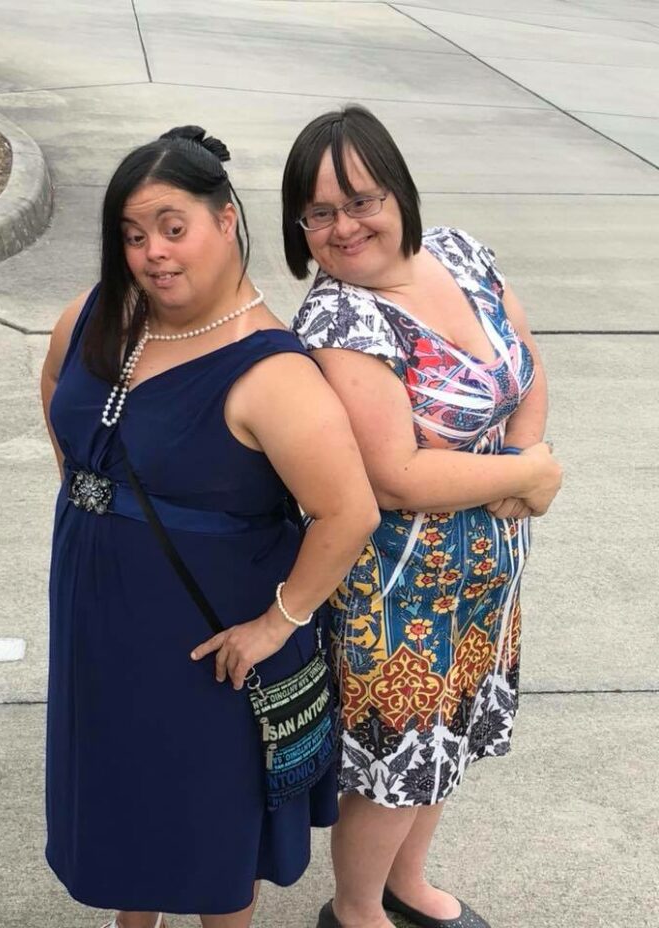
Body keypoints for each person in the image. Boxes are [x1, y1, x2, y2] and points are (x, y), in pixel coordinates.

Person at [40, 125, 380, 928]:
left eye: (172, 227)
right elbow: (60, 387)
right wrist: (91, 496)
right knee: (124, 797)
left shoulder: (271, 373)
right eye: (131, 234)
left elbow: (350, 510)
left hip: (206, 638)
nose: (152, 252)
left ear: (226, 220)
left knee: (207, 827)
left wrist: (277, 622)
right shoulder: (100, 314)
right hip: (100, 619)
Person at [282, 105, 563, 928]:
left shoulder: (458, 253)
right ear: (301, 227)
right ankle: (359, 908)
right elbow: (395, 476)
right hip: (397, 584)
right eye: (320, 213)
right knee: (396, 753)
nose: (344, 226)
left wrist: (524, 463)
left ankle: (409, 881)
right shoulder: (341, 319)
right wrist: (525, 475)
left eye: (361, 200)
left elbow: (527, 366)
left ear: (399, 193)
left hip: (489, 562)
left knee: (448, 737)